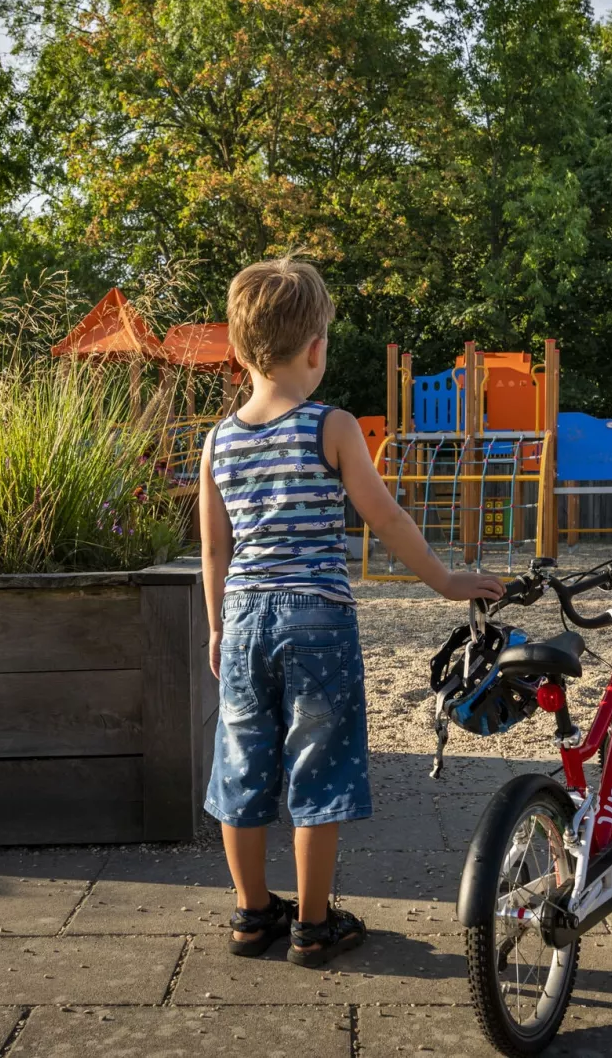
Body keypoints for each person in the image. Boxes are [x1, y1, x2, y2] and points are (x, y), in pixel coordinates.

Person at [199, 256, 505, 968]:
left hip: (243, 618)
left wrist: (217, 624)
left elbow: (215, 549)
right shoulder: (330, 427)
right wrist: (445, 581)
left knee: (242, 764)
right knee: (319, 767)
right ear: (315, 349)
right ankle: (311, 924)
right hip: (318, 619)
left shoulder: (218, 440)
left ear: (240, 351)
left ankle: (251, 915)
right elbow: (388, 520)